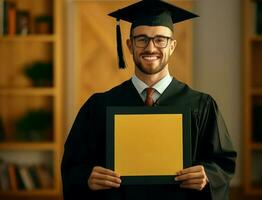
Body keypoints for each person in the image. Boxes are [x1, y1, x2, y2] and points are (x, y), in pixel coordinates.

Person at [61, 0, 237, 200]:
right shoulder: (99, 106)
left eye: (160, 39)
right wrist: (87, 178)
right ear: (129, 45)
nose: (151, 48)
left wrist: (208, 175)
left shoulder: (201, 105)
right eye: (142, 39)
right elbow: (73, 165)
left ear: (172, 46)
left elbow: (223, 162)